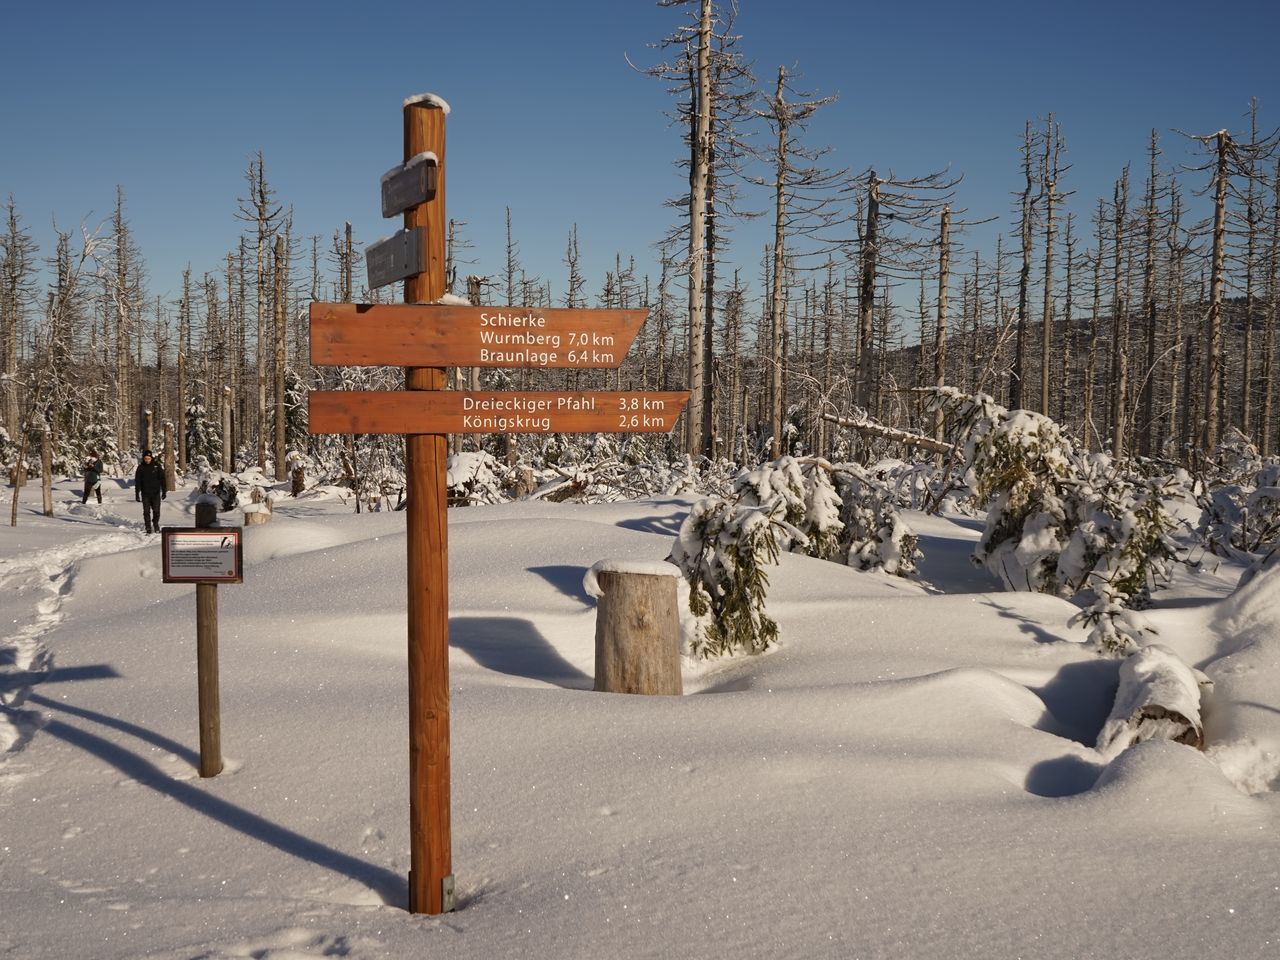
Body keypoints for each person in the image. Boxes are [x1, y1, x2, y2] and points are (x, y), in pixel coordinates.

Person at [134, 449, 167, 534]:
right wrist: (137, 493)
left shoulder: (157, 466)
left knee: (156, 511)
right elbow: (138, 481)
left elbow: (162, 479)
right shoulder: (141, 467)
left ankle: (155, 524)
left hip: (156, 493)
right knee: (146, 511)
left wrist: (164, 491)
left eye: (148, 458)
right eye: (145, 458)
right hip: (145, 493)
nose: (147, 460)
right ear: (143, 459)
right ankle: (148, 527)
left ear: (151, 458)